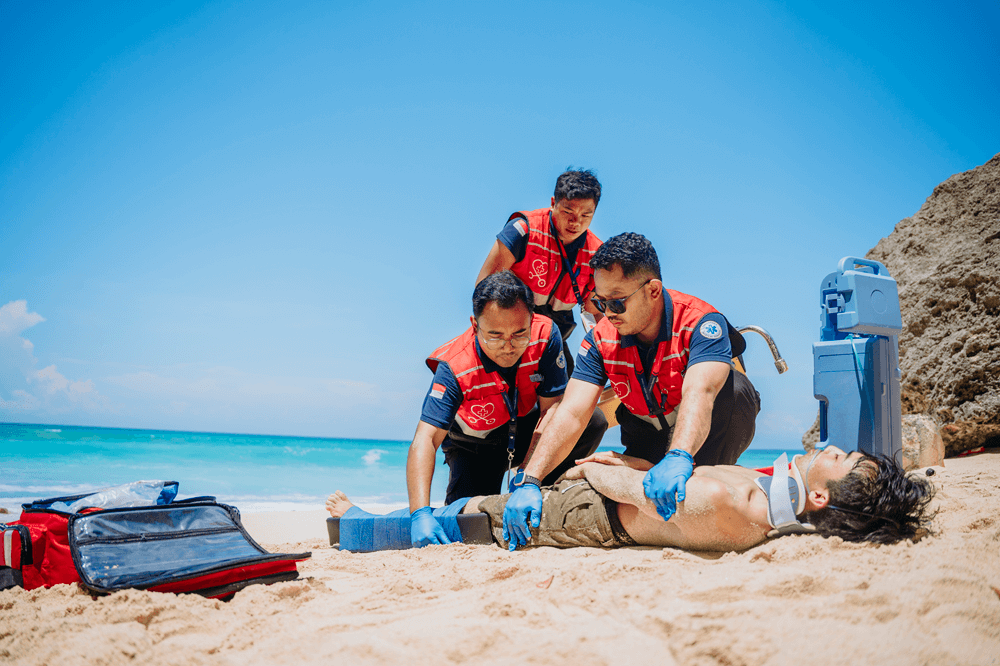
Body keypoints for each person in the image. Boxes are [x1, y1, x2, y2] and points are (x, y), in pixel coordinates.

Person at [503, 232, 762, 546]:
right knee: (621, 488)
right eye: (600, 302)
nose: (608, 313)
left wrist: (679, 455)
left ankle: (701, 469)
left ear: (653, 290)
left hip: (707, 428)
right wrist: (530, 478)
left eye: (617, 302)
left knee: (736, 392)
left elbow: (701, 391)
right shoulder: (600, 339)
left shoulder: (700, 322)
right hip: (647, 429)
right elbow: (571, 412)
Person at [327, 446, 936, 552]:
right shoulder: (760, 494)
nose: (832, 446)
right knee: (478, 508)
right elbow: (659, 482)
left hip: (594, 514)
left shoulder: (738, 502)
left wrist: (592, 466)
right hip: (609, 506)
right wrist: (630, 464)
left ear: (821, 496)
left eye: (841, 458)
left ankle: (356, 529)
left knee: (470, 516)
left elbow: (635, 495)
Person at [407, 270, 608, 548]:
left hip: (526, 430)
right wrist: (419, 513)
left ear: (531, 319)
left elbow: (552, 410)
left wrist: (529, 476)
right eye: (495, 336)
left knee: (592, 421)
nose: (508, 347)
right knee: (470, 524)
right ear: (475, 325)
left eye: (519, 333)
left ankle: (544, 492)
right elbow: (426, 439)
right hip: (475, 447)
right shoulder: (454, 366)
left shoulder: (545, 334)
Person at [476, 169, 605, 373]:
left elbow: (594, 313)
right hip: (509, 336)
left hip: (553, 340)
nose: (576, 222)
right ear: (553, 203)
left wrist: (608, 351)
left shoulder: (597, 255)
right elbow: (484, 289)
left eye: (586, 215)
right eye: (568, 212)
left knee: (570, 386)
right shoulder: (522, 230)